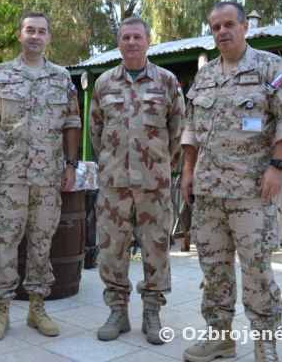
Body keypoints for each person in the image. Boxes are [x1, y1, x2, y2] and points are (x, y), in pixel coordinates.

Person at [180, 2, 282, 362]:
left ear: (245, 26)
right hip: (209, 193)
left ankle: (265, 343)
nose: (222, 32)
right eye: (215, 27)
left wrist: (277, 166)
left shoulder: (269, 66)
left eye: (229, 24)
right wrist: (187, 171)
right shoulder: (205, 75)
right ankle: (220, 338)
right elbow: (191, 127)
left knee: (257, 270)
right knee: (214, 270)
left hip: (252, 191)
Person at [0, 11, 81, 341]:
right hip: (9, 177)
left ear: (49, 37)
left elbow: (72, 123)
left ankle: (37, 308)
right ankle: (1, 311)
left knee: (42, 243)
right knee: (4, 243)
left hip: (48, 177)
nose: (36, 36)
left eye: (42, 31)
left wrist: (70, 165)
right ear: (19, 35)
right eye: (30, 30)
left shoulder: (61, 77)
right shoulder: (1, 74)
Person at [88, 17, 185, 345]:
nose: (131, 42)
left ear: (148, 41)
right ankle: (117, 311)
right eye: (126, 37)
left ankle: (152, 313)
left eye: (137, 37)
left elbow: (178, 128)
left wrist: (161, 163)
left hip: (153, 185)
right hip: (114, 184)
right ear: (119, 42)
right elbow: (96, 130)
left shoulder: (167, 81)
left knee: (156, 249)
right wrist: (112, 161)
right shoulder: (104, 83)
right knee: (111, 250)